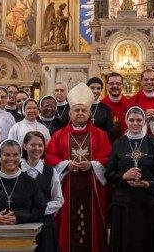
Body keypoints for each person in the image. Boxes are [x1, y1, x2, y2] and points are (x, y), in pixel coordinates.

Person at [45, 83, 112, 252]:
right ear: (70, 113)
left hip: (92, 187)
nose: (80, 113)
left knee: (92, 226)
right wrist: (66, 164)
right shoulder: (59, 135)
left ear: (89, 113)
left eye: (84, 110)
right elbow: (49, 156)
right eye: (77, 110)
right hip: (67, 185)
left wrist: (92, 165)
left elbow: (108, 157)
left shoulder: (100, 134)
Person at [106, 106, 154, 252]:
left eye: (139, 120)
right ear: (126, 121)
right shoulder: (118, 144)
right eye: (132, 120)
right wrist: (123, 176)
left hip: (148, 202)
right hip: (124, 203)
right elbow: (109, 173)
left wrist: (149, 183)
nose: (135, 123)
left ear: (144, 122)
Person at [0, 138, 46, 225]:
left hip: (25, 234)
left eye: (15, 155)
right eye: (6, 155)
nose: (11, 158)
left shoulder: (30, 182)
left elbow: (40, 209)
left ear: (20, 156)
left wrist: (18, 218)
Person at [22, 131, 63, 252]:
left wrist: (40, 210)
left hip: (46, 224)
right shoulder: (17, 170)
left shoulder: (51, 172)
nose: (37, 148)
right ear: (25, 146)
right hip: (22, 223)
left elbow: (59, 199)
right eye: (33, 145)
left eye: (40, 145)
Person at [102, 72, 131, 140]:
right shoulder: (101, 105)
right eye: (111, 83)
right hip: (106, 144)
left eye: (118, 84)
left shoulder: (130, 105)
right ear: (106, 86)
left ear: (122, 86)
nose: (115, 86)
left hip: (126, 144)